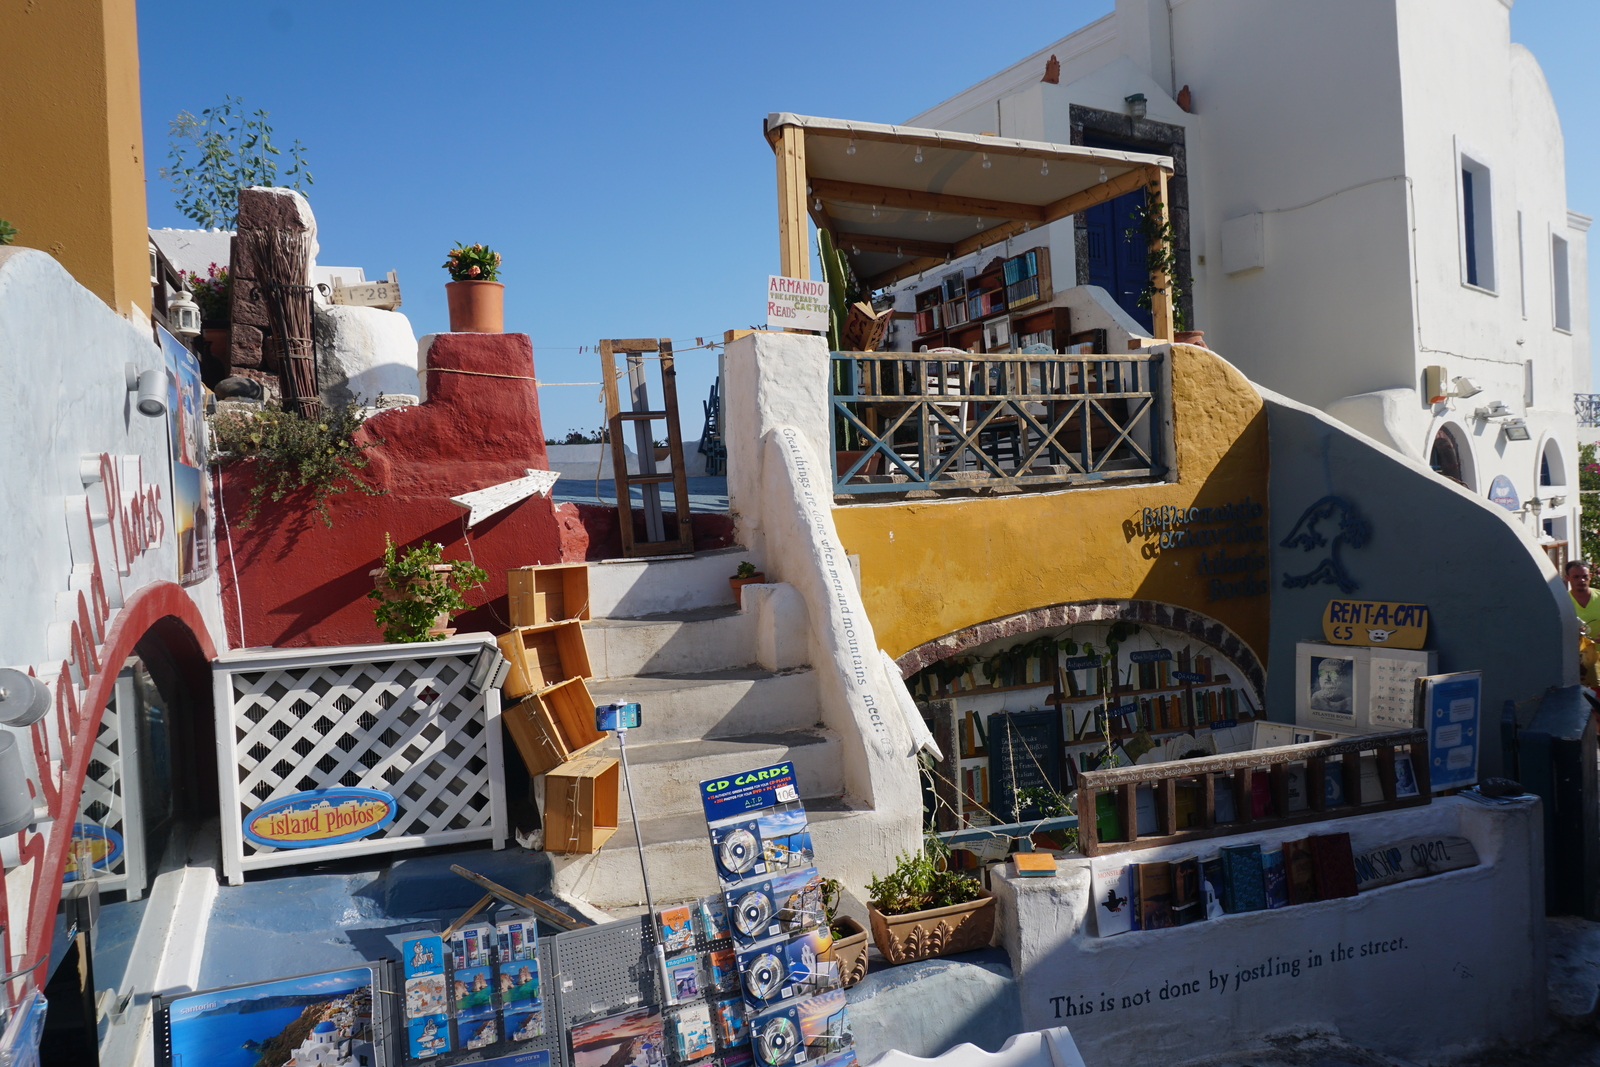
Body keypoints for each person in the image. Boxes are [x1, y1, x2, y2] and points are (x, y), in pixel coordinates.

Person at [1567, 560, 1600, 633]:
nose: (1582, 580)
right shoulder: (1563, 601)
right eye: (1576, 577)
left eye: (1585, 576)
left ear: (1590, 576)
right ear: (1567, 578)